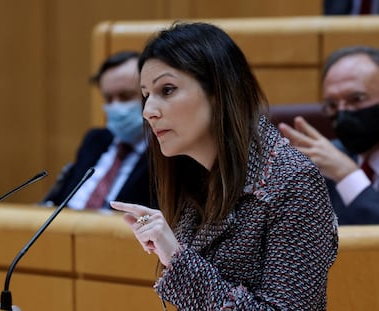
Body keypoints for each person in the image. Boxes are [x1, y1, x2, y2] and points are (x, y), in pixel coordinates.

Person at [110, 22, 338, 310]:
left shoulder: (293, 180)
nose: (148, 111)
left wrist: (176, 257)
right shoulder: (196, 176)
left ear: (218, 90)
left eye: (167, 90)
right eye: (146, 95)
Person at [278, 46, 379, 225]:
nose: (342, 113)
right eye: (332, 105)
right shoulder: (321, 161)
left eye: (357, 99)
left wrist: (348, 176)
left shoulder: (337, 165)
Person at [42, 51, 152, 211]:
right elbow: (60, 198)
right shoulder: (95, 140)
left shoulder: (165, 155)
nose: (115, 106)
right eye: (108, 98)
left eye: (126, 96)